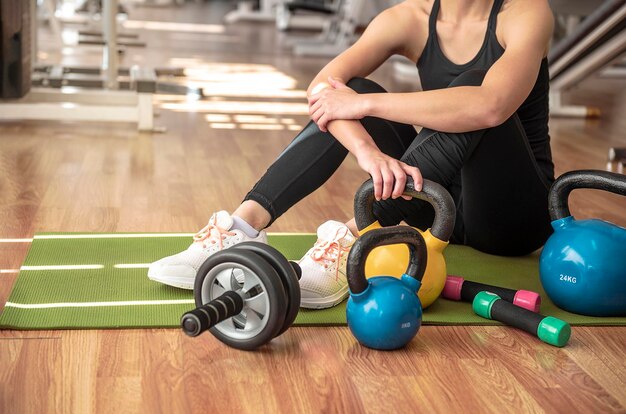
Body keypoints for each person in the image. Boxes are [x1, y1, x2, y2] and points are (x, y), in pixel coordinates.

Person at [148, 0, 556, 310]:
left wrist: (366, 107)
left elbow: (490, 106)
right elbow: (323, 89)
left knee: (470, 86)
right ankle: (242, 225)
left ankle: (350, 239)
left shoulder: (525, 13)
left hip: (511, 217)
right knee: (354, 87)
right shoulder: (408, 18)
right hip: (435, 203)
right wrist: (366, 150)